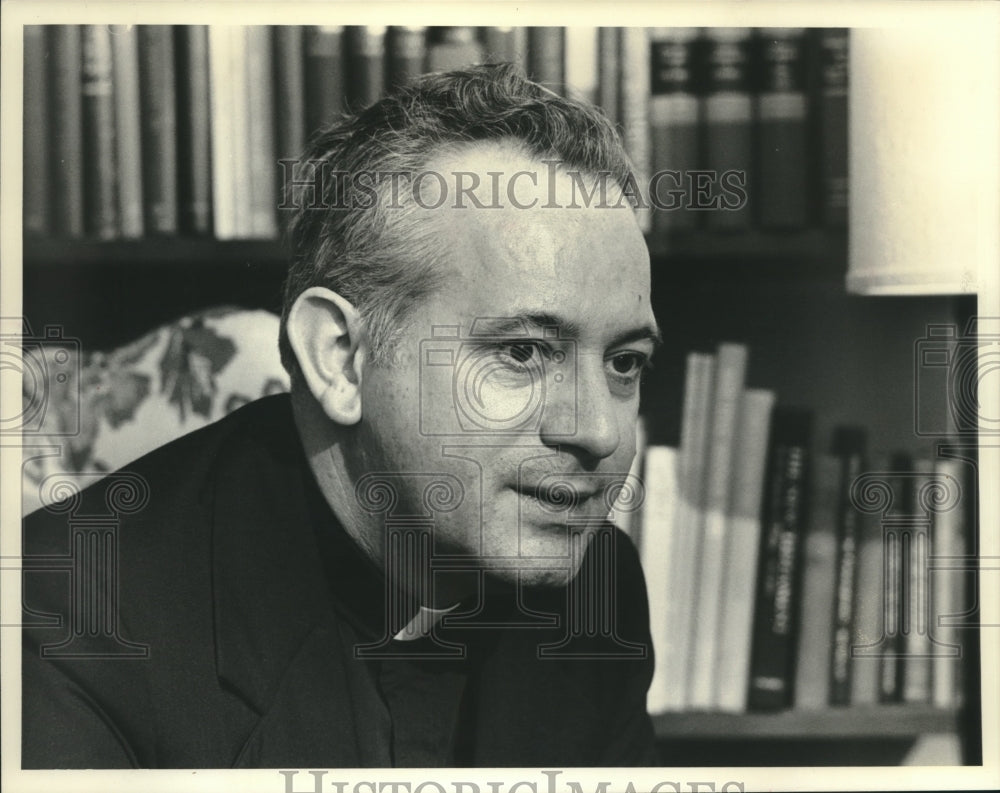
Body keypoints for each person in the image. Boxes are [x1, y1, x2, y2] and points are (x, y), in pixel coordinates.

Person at [22, 63, 660, 768]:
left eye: (624, 362)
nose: (600, 431)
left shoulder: (597, 586)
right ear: (339, 357)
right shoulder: (61, 622)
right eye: (524, 351)